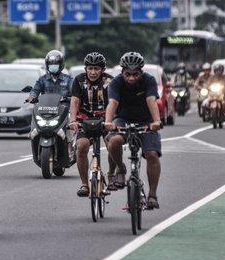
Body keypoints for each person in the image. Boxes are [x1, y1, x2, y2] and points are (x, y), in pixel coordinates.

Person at [104, 52, 163, 210]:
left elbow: (151, 101)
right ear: (122, 72)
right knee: (114, 141)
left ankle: (152, 195)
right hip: (123, 119)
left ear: (141, 72)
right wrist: (108, 121)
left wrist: (156, 121)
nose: (131, 78)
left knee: (151, 154)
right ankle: (121, 169)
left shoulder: (149, 80)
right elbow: (113, 102)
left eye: (135, 74)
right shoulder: (115, 83)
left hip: (146, 121)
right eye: (127, 74)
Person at [68, 52, 115, 197]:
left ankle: (111, 175)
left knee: (113, 144)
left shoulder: (110, 81)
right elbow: (74, 101)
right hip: (85, 120)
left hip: (105, 119)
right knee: (81, 147)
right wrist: (73, 120)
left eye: (96, 69)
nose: (93, 72)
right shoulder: (78, 80)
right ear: (85, 69)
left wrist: (110, 121)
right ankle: (84, 184)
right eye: (90, 68)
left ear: (102, 70)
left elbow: (114, 102)